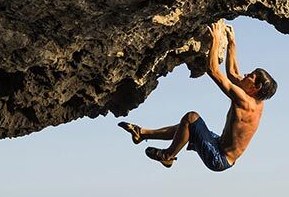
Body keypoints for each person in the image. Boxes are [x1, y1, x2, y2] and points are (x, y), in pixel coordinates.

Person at [119, 22, 277, 172]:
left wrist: (215, 40)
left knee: (191, 118)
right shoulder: (256, 100)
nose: (246, 74)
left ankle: (168, 156)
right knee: (186, 127)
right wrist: (232, 42)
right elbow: (233, 74)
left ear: (257, 87)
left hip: (219, 158)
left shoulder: (245, 101)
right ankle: (142, 133)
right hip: (220, 145)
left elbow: (213, 70)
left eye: (251, 76)